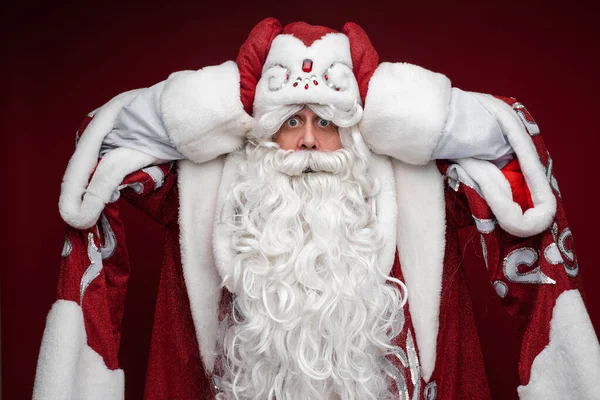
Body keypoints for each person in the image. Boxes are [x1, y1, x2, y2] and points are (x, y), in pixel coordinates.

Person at [33, 18, 600, 400]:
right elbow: (98, 146)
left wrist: (399, 106)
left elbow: (513, 147)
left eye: (326, 121)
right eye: (289, 121)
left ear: (356, 131)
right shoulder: (205, 191)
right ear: (259, 131)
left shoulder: (416, 188)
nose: (307, 142)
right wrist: (222, 99)